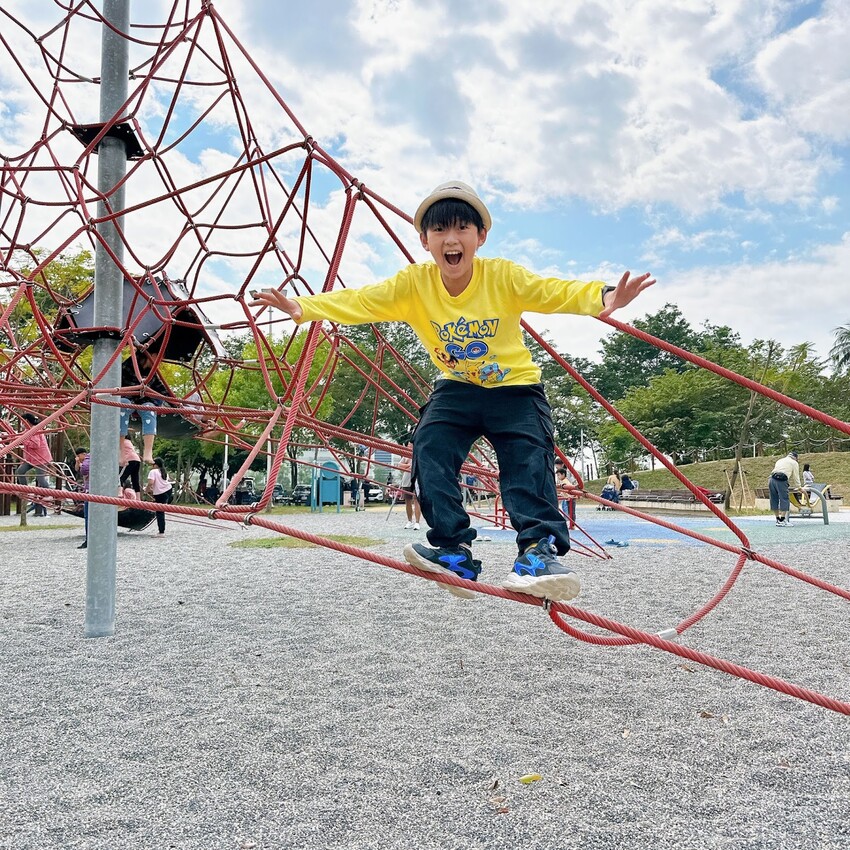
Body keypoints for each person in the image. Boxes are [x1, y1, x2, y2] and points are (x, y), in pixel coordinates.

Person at [251, 180, 653, 601]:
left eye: (462, 228)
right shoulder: (414, 285)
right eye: (440, 230)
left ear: (480, 237)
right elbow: (362, 300)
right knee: (430, 445)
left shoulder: (502, 277)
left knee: (527, 461)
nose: (451, 239)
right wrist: (303, 308)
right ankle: (454, 549)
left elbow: (553, 290)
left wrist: (604, 296)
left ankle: (537, 552)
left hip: (515, 389)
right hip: (457, 387)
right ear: (425, 241)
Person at [120, 345, 168, 464]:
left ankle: (148, 452)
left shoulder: (152, 372)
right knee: (123, 405)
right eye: (160, 358)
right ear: (153, 356)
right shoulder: (129, 366)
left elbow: (163, 391)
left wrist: (176, 404)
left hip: (143, 401)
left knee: (149, 409)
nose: (160, 362)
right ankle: (120, 451)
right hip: (125, 398)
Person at [15, 413, 53, 517]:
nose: (22, 423)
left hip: (41, 458)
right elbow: (23, 442)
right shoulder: (27, 431)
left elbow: (36, 445)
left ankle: (49, 494)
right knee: (20, 471)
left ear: (27, 421)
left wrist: (24, 440)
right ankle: (25, 490)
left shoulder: (35, 430)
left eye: (23, 421)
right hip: (31, 459)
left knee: (40, 478)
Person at [769, 450, 801, 527]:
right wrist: (799, 487)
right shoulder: (794, 463)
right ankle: (782, 520)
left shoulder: (780, 460)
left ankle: (777, 519)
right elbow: (796, 476)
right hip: (781, 480)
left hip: (771, 479)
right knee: (784, 499)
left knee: (774, 499)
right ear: (795, 458)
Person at [144, 456, 173, 535]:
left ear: (156, 465)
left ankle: (161, 531)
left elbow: (151, 483)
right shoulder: (164, 472)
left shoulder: (153, 472)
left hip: (160, 493)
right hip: (168, 490)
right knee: (161, 510)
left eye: (153, 464)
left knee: (159, 512)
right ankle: (161, 530)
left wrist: (146, 490)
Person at [398, 451, 421, 530]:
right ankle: (409, 521)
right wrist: (410, 466)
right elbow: (400, 466)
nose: (410, 446)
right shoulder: (406, 456)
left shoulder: (419, 453)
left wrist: (410, 466)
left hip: (417, 479)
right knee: (407, 501)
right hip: (406, 480)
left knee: (416, 500)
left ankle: (417, 522)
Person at [75, 446, 90, 548]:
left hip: (90, 491)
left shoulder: (87, 460)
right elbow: (77, 469)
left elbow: (84, 470)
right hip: (88, 490)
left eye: (78, 456)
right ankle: (88, 538)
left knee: (88, 516)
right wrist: (78, 463)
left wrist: (82, 464)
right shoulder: (85, 461)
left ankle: (88, 539)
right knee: (87, 515)